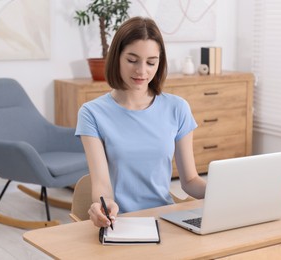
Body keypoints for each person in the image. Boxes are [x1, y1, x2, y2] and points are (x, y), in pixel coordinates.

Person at [75, 16, 207, 228]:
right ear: (117, 57)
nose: (142, 71)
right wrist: (105, 204)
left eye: (151, 62)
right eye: (132, 60)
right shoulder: (92, 113)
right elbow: (101, 183)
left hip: (165, 220)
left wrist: (226, 192)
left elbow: (190, 182)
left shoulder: (177, 108)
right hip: (120, 223)